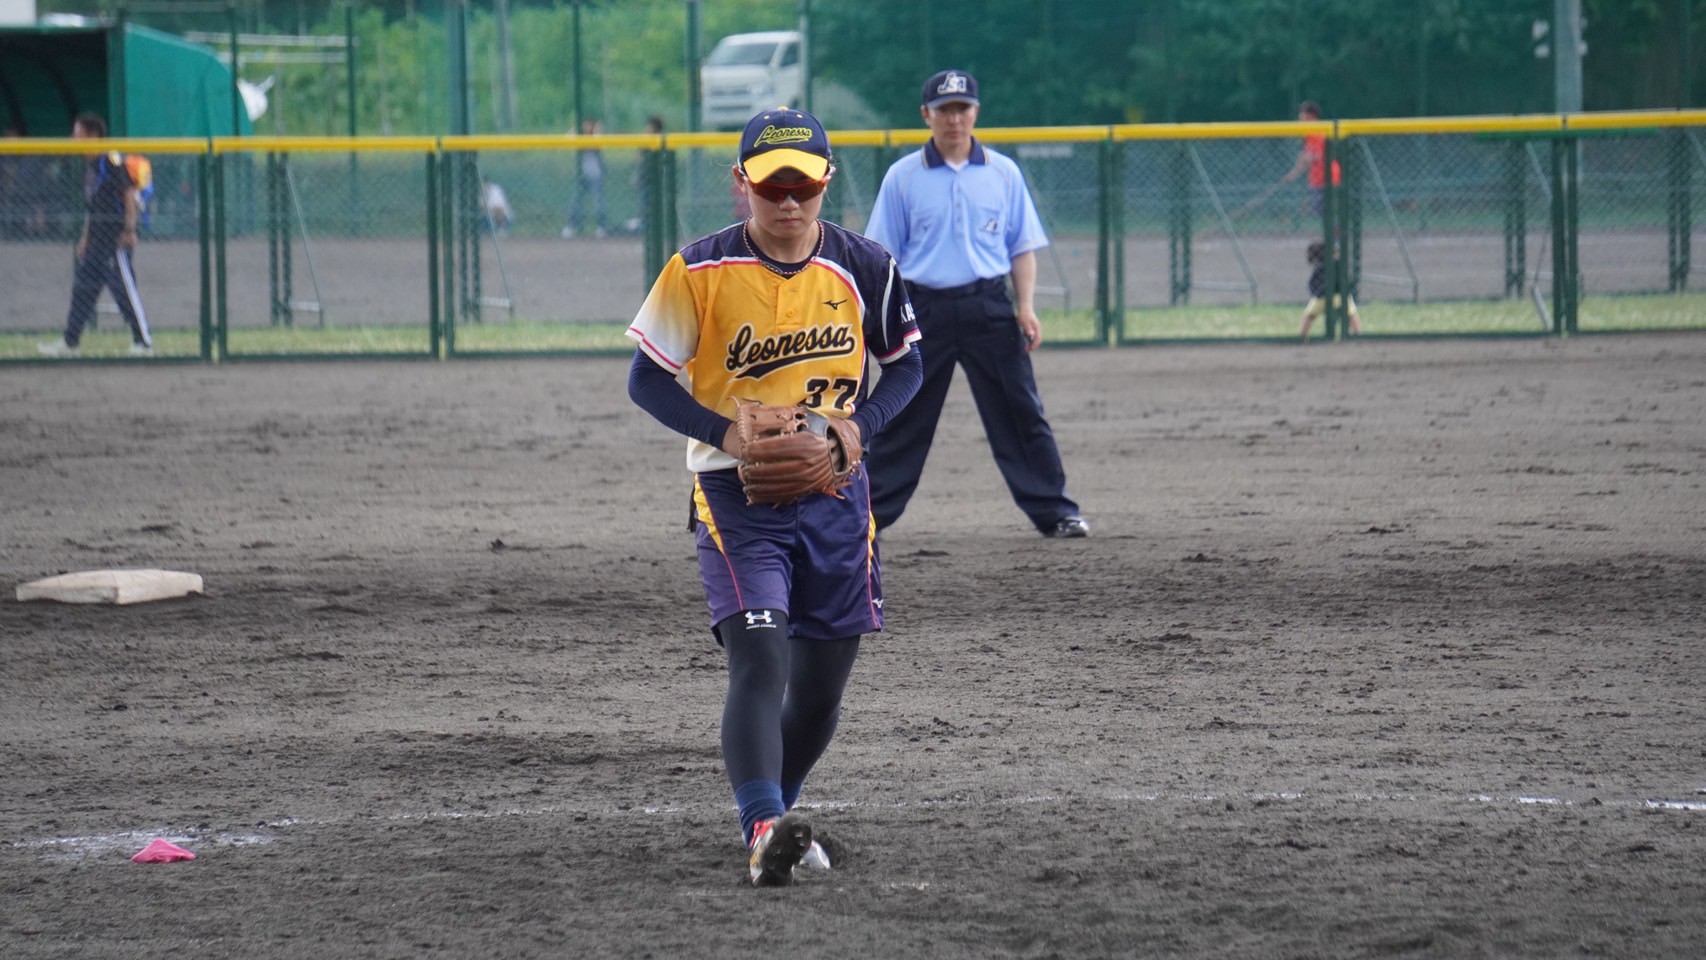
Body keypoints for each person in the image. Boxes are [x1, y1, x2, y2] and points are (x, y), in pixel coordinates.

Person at [624, 107, 923, 886]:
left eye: (804, 187)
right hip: (736, 497)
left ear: (828, 182)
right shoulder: (698, 269)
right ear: (741, 183)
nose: (788, 203)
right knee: (761, 658)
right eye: (771, 187)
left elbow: (908, 367)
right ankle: (762, 823)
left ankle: (773, 827)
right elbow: (646, 378)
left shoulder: (866, 265)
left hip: (838, 495)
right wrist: (725, 433)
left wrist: (856, 429)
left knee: (820, 689)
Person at [863, 69, 1089, 539]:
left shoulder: (1003, 172)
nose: (954, 119)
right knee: (902, 414)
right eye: (943, 110)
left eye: (962, 108)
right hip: (922, 309)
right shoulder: (903, 177)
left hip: (988, 305)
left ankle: (1056, 511)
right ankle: (866, 517)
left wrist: (1025, 307)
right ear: (926, 115)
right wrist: (882, 322)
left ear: (976, 112)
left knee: (1020, 411)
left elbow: (1021, 247)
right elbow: (883, 258)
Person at [38, 113, 152, 358]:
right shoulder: (89, 167)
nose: (73, 138)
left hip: (115, 239)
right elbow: (93, 206)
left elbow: (128, 196)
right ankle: (70, 343)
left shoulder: (110, 161)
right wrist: (85, 238)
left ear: (93, 136)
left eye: (77, 133)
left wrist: (129, 230)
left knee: (123, 290)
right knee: (83, 289)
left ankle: (143, 342)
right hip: (97, 242)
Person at [1279, 100, 1341, 219]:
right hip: (1318, 179)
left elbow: (1317, 156)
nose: (1300, 119)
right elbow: (1304, 158)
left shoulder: (1319, 133)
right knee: (1320, 209)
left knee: (1324, 209)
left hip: (1328, 178)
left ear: (1311, 116)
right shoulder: (1309, 135)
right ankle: (1334, 230)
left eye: (1302, 116)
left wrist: (1306, 158)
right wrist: (1291, 175)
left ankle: (1336, 230)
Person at [1298, 239, 1362, 341]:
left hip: (1321, 299)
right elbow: (1347, 283)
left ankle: (1301, 337)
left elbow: (1312, 285)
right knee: (1352, 316)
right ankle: (1358, 335)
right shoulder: (1339, 265)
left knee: (1308, 316)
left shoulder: (1319, 267)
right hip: (1341, 298)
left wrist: (1317, 294)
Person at [561, 116, 609, 238]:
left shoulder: (595, 137)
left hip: (595, 175)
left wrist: (597, 130)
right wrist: (576, 129)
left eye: (589, 125)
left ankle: (601, 227)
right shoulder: (580, 137)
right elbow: (566, 138)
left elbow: (596, 144)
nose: (586, 127)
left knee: (598, 201)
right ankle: (571, 226)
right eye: (584, 125)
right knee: (575, 202)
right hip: (581, 176)